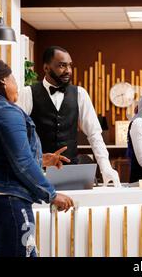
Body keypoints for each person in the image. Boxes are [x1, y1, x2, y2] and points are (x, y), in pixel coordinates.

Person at [0, 59, 74, 257]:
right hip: (8, 206)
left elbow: (0, 158)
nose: (17, 85)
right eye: (14, 78)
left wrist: (41, 159)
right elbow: (21, 162)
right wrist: (51, 194)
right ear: (3, 82)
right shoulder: (6, 111)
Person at [17, 46, 120, 187]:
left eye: (70, 66)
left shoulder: (80, 94)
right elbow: (16, 134)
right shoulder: (28, 93)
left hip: (71, 173)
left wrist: (106, 168)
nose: (68, 71)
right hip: (37, 173)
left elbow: (94, 134)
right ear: (46, 68)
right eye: (62, 66)